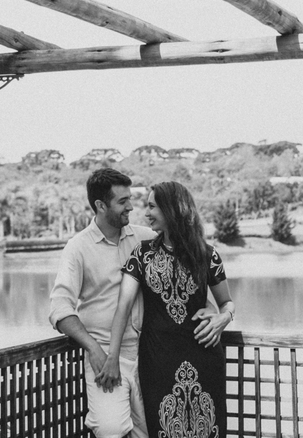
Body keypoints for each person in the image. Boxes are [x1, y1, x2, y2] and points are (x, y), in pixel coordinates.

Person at [100, 181, 235, 438]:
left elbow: (227, 302)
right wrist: (112, 357)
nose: (146, 212)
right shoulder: (142, 255)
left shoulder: (208, 256)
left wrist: (223, 318)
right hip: (158, 360)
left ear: (172, 209)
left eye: (152, 206)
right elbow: (123, 308)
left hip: (204, 355)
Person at [49, 168, 156, 438]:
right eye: (122, 201)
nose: (131, 206)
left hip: (149, 355)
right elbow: (60, 308)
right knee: (111, 429)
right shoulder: (78, 247)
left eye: (130, 199)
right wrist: (94, 349)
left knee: (148, 431)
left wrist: (220, 310)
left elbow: (189, 252)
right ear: (100, 205)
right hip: (105, 358)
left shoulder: (144, 238)